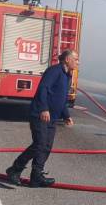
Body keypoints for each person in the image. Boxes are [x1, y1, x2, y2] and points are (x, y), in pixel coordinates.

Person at [6, 49, 79, 187]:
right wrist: (44, 108)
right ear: (67, 59)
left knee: (46, 146)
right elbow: (43, 89)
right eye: (76, 59)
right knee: (39, 145)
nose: (78, 62)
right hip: (40, 115)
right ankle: (15, 169)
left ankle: (36, 177)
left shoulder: (68, 76)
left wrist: (66, 116)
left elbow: (62, 99)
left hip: (53, 118)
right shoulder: (54, 71)